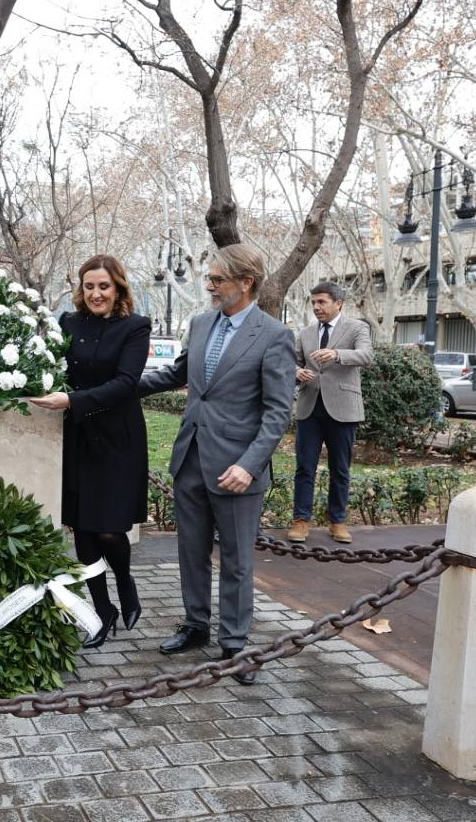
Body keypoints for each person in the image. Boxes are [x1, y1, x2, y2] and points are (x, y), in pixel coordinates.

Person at [137, 244, 295, 684]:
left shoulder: (274, 336)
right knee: (190, 552)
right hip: (191, 458)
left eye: (217, 279)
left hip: (237, 469)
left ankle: (234, 642)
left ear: (246, 283)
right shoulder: (202, 323)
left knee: (237, 560)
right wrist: (116, 387)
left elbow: (277, 412)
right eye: (209, 278)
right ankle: (195, 625)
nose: (209, 286)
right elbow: (177, 374)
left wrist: (249, 464)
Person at [30, 256, 151, 648]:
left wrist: (72, 399)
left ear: (118, 288)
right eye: (89, 286)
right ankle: (101, 610)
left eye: (104, 286)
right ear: (80, 289)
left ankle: (125, 582)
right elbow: (50, 368)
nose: (96, 294)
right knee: (82, 530)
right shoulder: (66, 323)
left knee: (109, 528)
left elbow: (126, 382)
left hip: (117, 438)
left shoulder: (135, 327)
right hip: (77, 436)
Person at [290, 282, 373, 544]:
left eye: (322, 302)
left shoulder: (357, 328)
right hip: (309, 407)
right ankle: (301, 521)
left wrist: (337, 354)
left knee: (340, 468)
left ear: (339, 303)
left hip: (343, 409)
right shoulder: (305, 333)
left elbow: (366, 355)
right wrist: (296, 372)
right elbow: (291, 361)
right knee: (305, 468)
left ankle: (337, 521)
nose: (316, 307)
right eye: (313, 302)